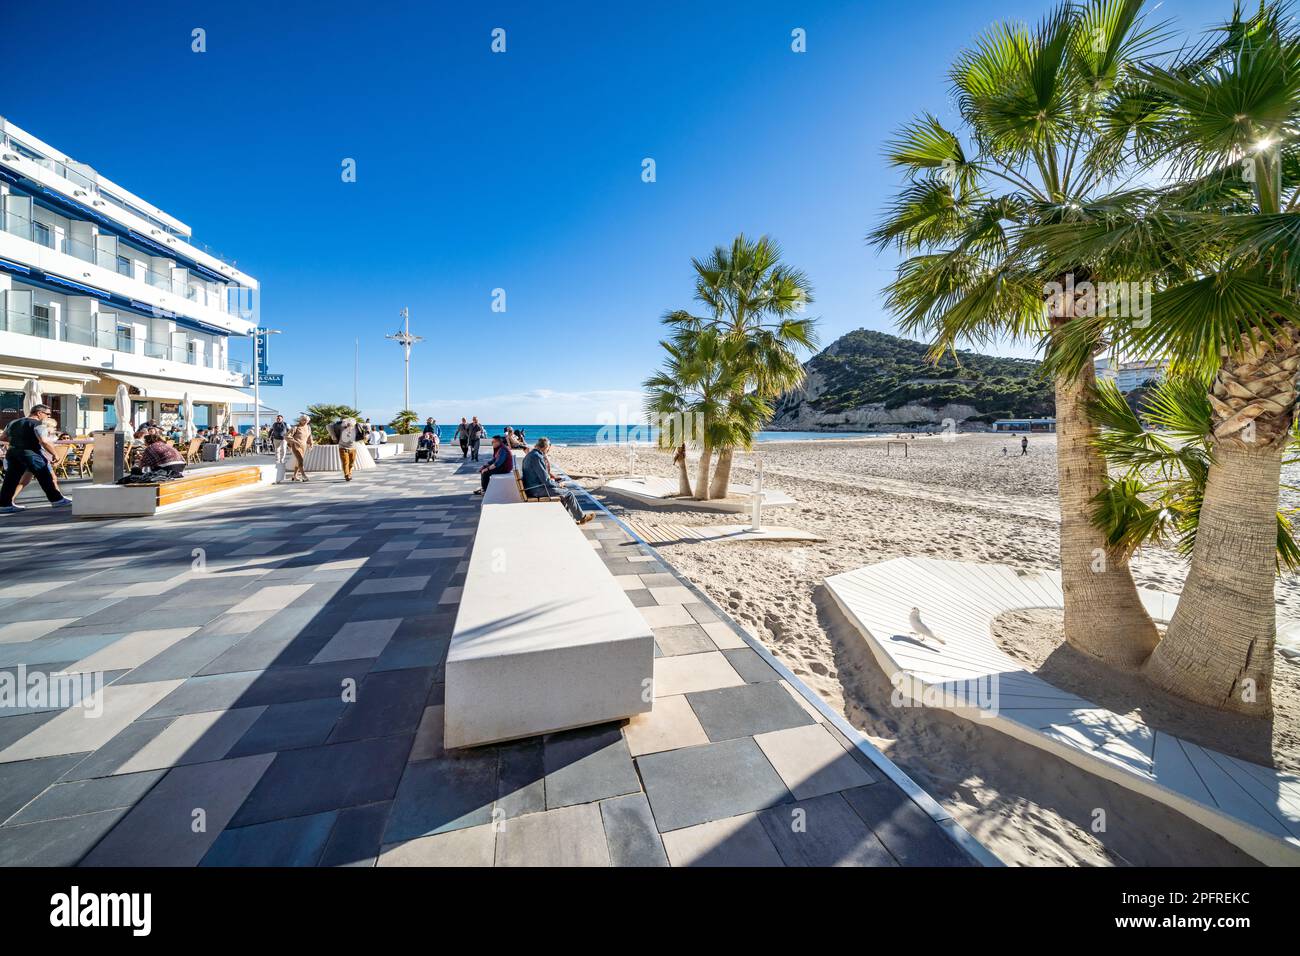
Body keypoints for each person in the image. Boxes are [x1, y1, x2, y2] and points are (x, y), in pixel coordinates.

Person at [0, 404, 73, 514]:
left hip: (13, 452)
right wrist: (55, 454)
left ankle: (4, 505)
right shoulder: (38, 425)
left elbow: (3, 437)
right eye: (47, 414)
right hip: (31, 453)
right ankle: (56, 499)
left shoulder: (12, 423)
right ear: (39, 413)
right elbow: (44, 441)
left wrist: (17, 441)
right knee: (44, 476)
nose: (48, 417)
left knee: (10, 479)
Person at [521, 437, 591, 524]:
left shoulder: (529, 455)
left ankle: (570, 520)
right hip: (536, 490)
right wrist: (558, 485)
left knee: (562, 493)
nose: (547, 451)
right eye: (548, 449)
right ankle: (582, 518)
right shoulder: (537, 457)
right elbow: (546, 480)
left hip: (531, 487)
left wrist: (555, 482)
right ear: (545, 447)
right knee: (568, 494)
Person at [329, 416, 362, 481]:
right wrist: (334, 437)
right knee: (345, 462)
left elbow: (366, 426)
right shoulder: (340, 426)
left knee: (351, 463)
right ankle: (347, 475)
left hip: (353, 448)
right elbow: (329, 426)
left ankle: (349, 473)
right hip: (343, 447)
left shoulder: (355, 426)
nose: (348, 424)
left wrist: (367, 433)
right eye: (345, 422)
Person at [287, 414, 313, 482]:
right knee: (300, 460)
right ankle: (304, 476)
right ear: (300, 420)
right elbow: (287, 436)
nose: (305, 422)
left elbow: (309, 436)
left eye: (306, 420)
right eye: (303, 420)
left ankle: (294, 476)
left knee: (298, 461)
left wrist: (311, 443)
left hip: (303, 446)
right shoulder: (295, 427)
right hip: (296, 446)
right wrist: (295, 442)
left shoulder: (308, 427)